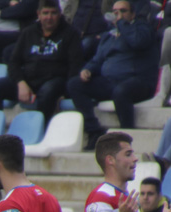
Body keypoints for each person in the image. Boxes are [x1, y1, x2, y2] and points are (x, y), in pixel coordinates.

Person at [67, 0, 158, 150]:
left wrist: (122, 25)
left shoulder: (142, 28)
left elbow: (137, 42)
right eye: (115, 12)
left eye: (123, 11)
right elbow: (98, 60)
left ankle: (127, 136)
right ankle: (94, 130)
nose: (119, 15)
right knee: (74, 84)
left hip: (137, 81)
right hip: (111, 82)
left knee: (121, 91)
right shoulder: (109, 35)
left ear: (132, 13)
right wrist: (88, 69)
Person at [0, 0, 83, 125]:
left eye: (53, 13)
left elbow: (75, 66)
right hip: (29, 80)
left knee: (48, 91)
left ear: (60, 14)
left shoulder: (71, 33)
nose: (49, 17)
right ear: (38, 14)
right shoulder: (28, 32)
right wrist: (21, 83)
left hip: (55, 80)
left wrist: (66, 92)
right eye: (45, 13)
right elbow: (14, 62)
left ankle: (40, 131)